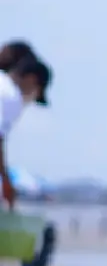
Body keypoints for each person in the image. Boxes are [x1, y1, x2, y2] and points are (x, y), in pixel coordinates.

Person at [0, 45, 51, 212]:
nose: (31, 100)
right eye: (36, 93)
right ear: (30, 79)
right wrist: (6, 181)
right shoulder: (11, 96)